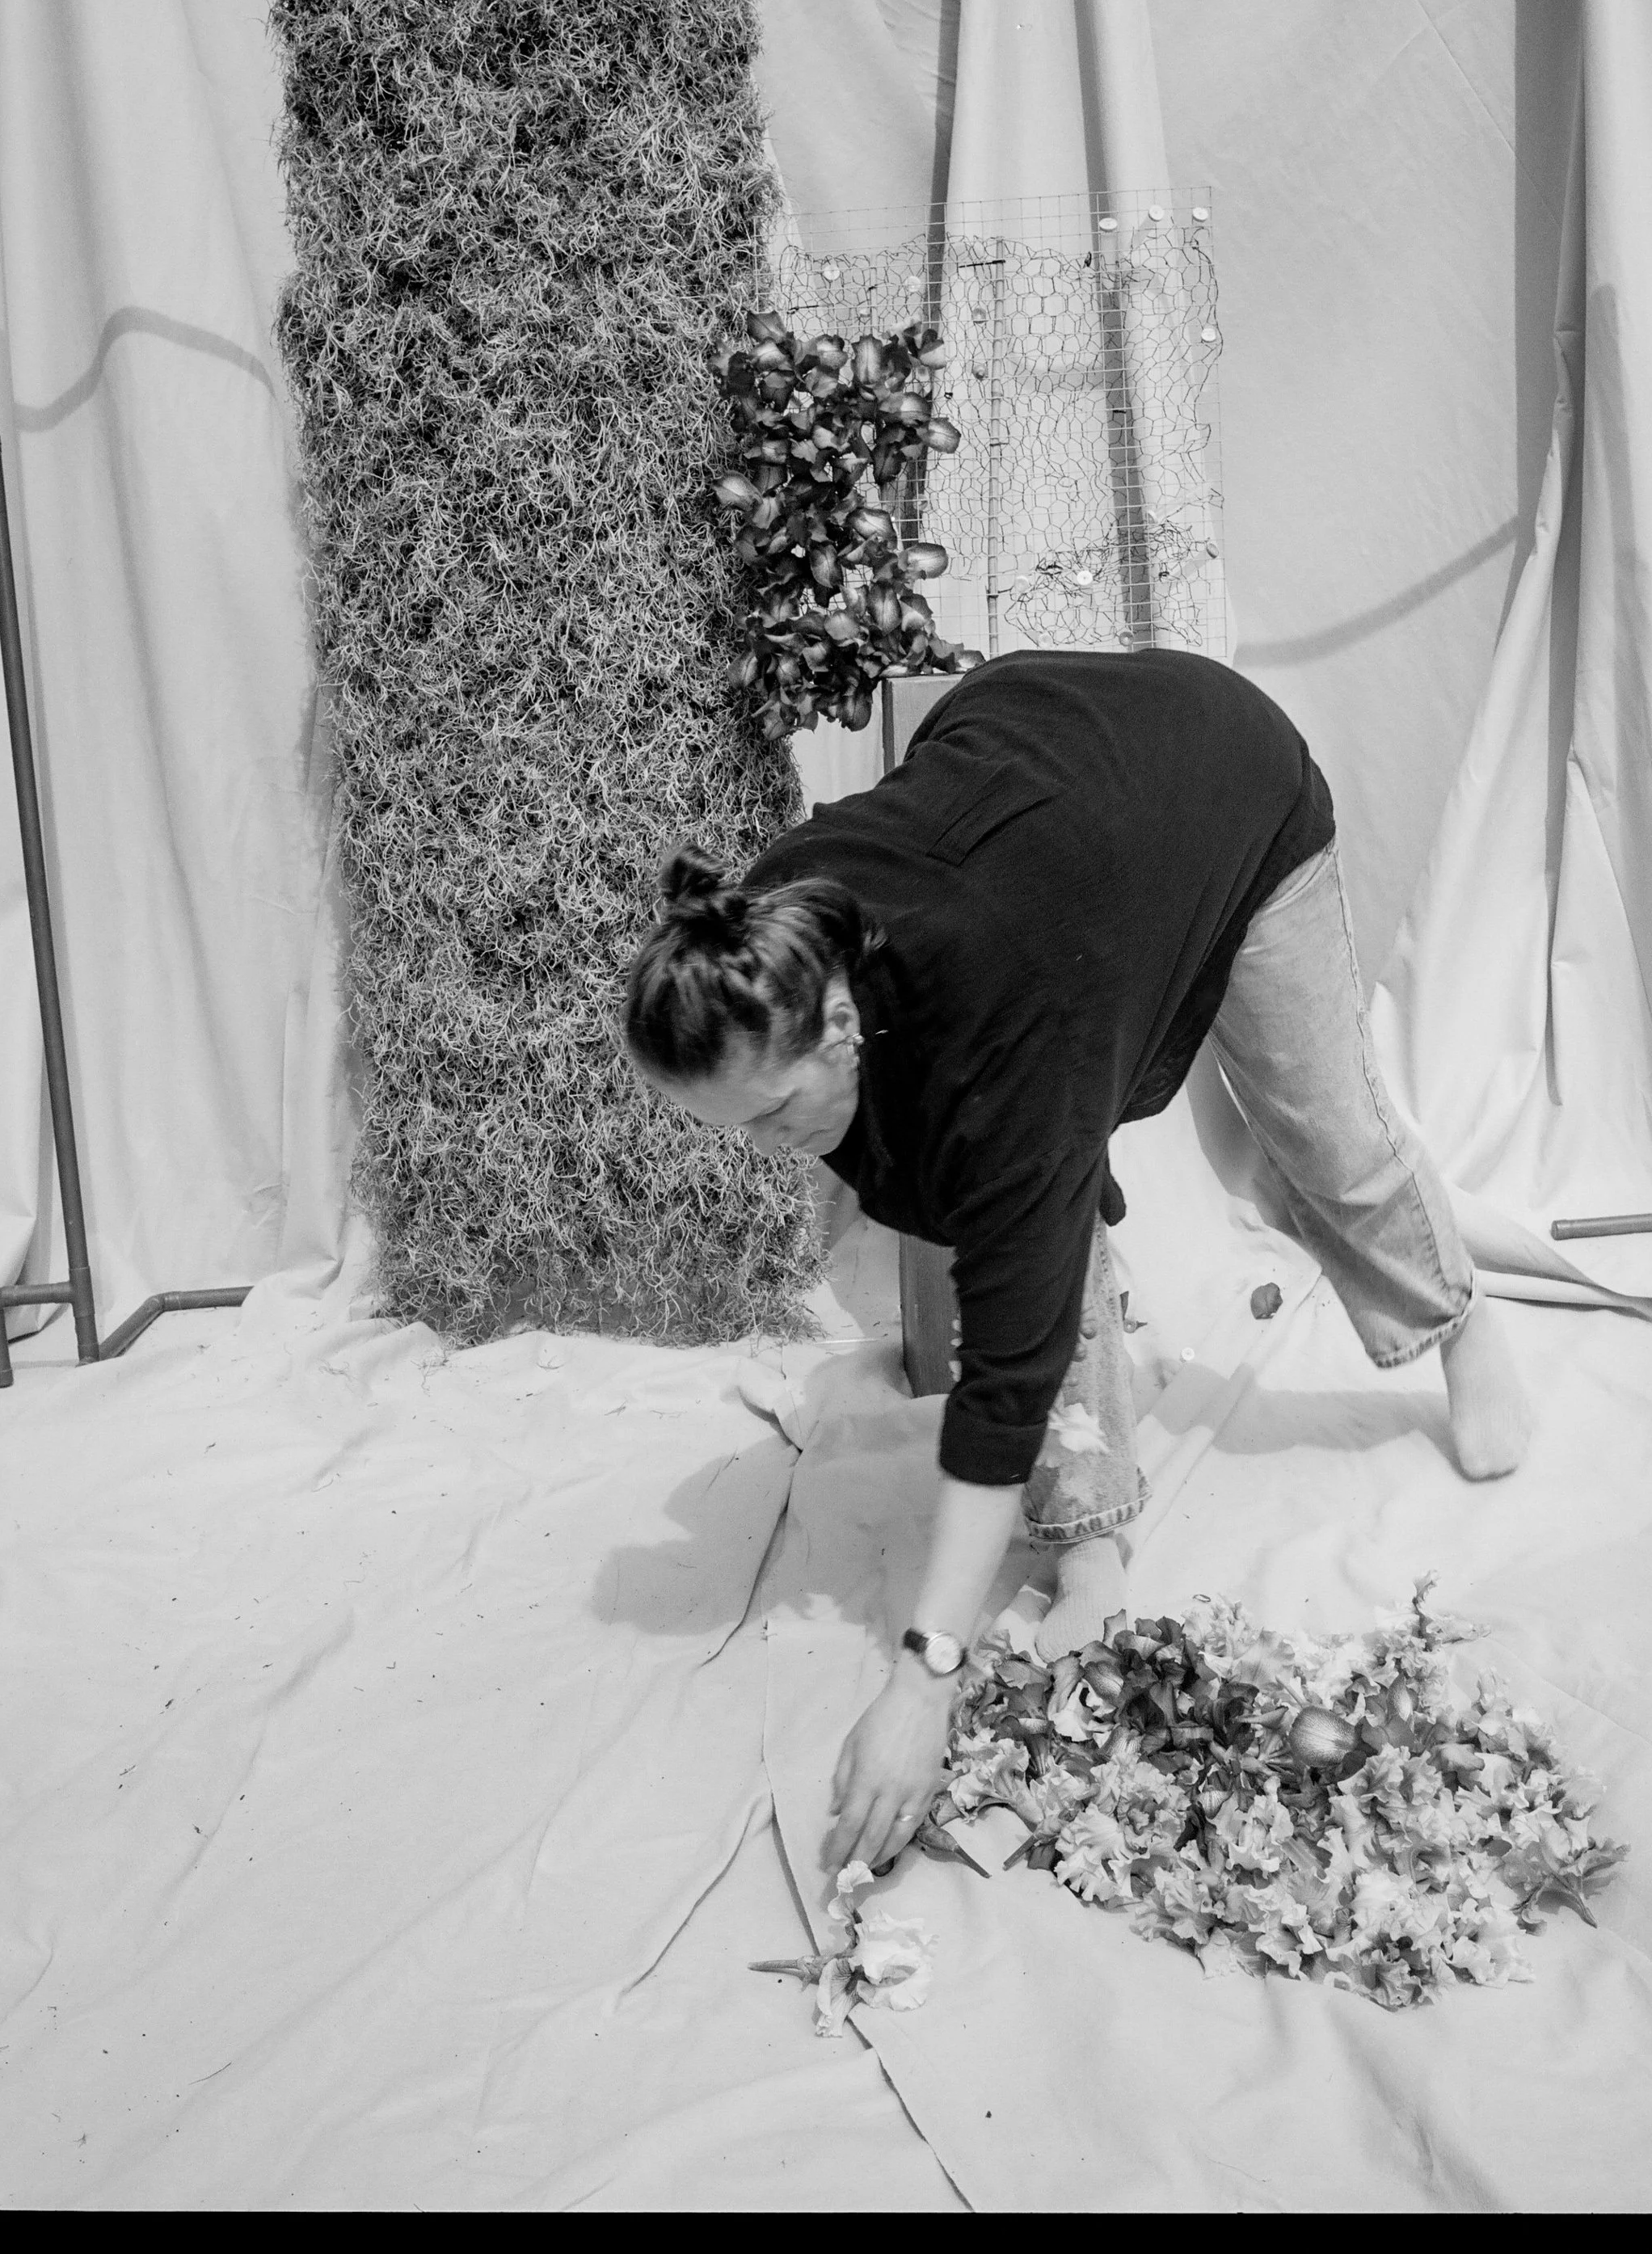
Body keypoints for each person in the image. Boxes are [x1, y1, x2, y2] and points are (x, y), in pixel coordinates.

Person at [621, 648, 1532, 1874]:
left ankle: (1459, 1316)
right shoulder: (765, 931)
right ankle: (1088, 1531)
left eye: (777, 1115)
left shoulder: (1006, 1031)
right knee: (1001, 1214)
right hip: (1032, 757)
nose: (767, 1151)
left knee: (1323, 1133)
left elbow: (1008, 1370)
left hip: (1221, 783)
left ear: (842, 1024)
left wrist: (924, 1680)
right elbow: (949, 1197)